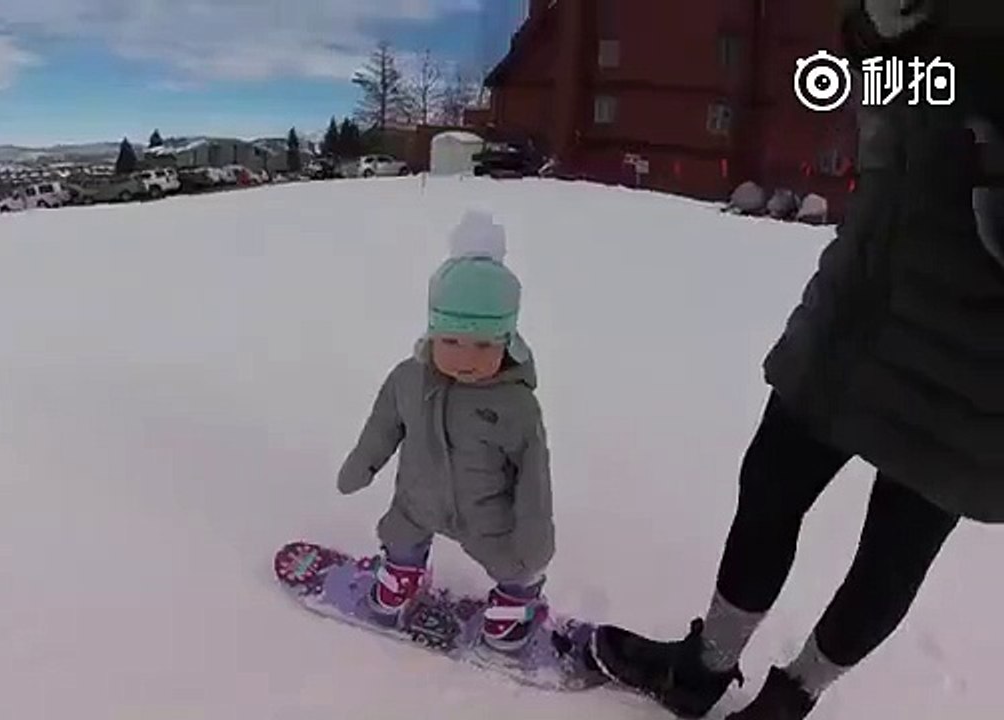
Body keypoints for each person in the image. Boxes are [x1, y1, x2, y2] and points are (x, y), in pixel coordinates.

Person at [555, 3, 1004, 719]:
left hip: (977, 357)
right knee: (769, 482)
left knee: (893, 548)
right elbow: (888, 138)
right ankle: (705, 668)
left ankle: (791, 698)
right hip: (862, 306)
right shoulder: (922, 45)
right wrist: (883, 45)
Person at [337, 209, 555, 653]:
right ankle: (404, 573)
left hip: (486, 513)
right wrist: (363, 463)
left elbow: (535, 474)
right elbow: (383, 425)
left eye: (484, 344)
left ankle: (519, 599)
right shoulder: (408, 379)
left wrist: (534, 531)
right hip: (417, 498)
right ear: (432, 331)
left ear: (509, 340)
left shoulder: (516, 405)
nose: (465, 357)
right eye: (451, 340)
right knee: (400, 535)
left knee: (512, 561)